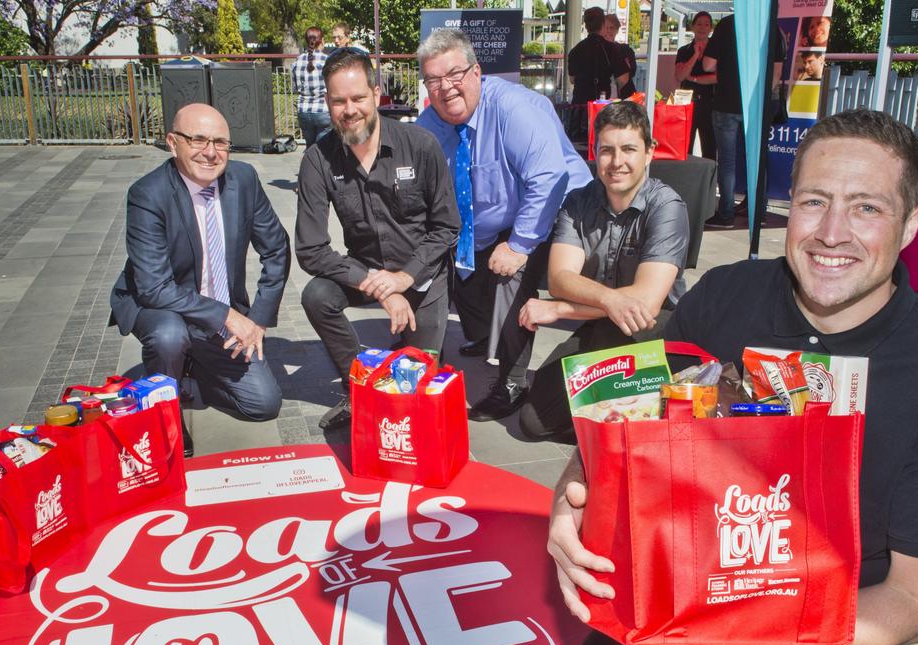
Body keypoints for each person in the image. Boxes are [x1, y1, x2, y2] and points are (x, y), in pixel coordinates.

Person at [548, 109, 918, 645]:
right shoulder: (723, 297)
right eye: (815, 201)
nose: (832, 232)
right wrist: (568, 504)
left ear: (912, 222)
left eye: (867, 207)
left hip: (838, 631)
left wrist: (749, 644)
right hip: (677, 595)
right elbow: (621, 436)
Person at [416, 28, 593, 421]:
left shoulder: (515, 109)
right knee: (451, 257)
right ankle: (484, 336)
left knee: (513, 272)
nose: (446, 88)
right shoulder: (427, 125)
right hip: (497, 215)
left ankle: (512, 380)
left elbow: (548, 179)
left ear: (477, 72)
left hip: (562, 207)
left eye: (455, 75)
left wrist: (519, 246)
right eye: (433, 80)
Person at [110, 104, 291, 455]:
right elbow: (154, 287)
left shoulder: (244, 180)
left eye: (220, 142)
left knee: (264, 404)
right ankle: (166, 414)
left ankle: (193, 367)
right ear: (172, 142)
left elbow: (277, 248)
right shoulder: (148, 194)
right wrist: (226, 316)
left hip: (218, 312)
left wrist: (258, 320)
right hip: (161, 306)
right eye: (197, 139)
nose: (210, 152)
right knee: (169, 335)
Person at [295, 49, 460, 430]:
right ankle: (358, 390)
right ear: (327, 103)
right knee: (316, 295)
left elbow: (447, 227)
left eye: (358, 98)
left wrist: (404, 279)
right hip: (366, 275)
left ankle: (398, 362)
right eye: (339, 101)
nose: (349, 109)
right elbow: (310, 249)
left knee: (412, 397)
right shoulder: (318, 160)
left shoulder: (420, 145)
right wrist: (383, 288)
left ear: (376, 93)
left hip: (423, 277)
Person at [517, 101, 689, 442]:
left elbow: (647, 303)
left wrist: (560, 309)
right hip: (600, 322)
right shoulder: (578, 202)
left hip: (656, 331)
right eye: (607, 150)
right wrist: (608, 301)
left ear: (649, 152)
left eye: (629, 149)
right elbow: (561, 278)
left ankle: (631, 423)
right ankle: (618, 423)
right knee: (533, 422)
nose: (617, 161)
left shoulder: (667, 206)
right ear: (595, 153)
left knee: (630, 417)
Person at [701, 14, 785, 229]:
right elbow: (776, 72)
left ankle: (726, 214)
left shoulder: (728, 24)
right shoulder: (771, 27)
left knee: (727, 161)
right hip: (758, 105)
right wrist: (760, 98)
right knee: (758, 159)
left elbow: (708, 65)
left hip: (727, 102)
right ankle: (759, 213)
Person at [567, 7, 625, 138]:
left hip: (579, 107)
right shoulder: (612, 49)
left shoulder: (575, 50)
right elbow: (623, 80)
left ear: (586, 26)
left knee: (579, 146)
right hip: (601, 107)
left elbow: (572, 79)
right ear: (603, 24)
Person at [674, 11, 717, 159]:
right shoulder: (684, 50)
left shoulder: (717, 51)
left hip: (710, 103)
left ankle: (710, 181)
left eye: (706, 24)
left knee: (710, 148)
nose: (702, 27)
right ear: (692, 27)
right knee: (685, 148)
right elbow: (680, 75)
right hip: (687, 103)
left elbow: (718, 78)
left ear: (711, 28)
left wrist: (693, 78)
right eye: (699, 24)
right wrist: (695, 56)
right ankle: (686, 181)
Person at [292, 26, 330, 146]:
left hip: (303, 110)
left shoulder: (297, 61)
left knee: (310, 148)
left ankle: (309, 164)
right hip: (323, 110)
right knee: (323, 150)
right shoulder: (327, 60)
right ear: (322, 41)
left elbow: (294, 88)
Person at [601, 13, 637, 99]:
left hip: (624, 96)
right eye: (606, 28)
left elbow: (632, 71)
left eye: (612, 28)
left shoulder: (625, 50)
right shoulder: (597, 50)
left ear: (617, 30)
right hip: (603, 96)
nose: (608, 31)